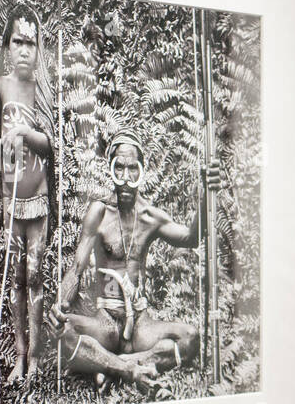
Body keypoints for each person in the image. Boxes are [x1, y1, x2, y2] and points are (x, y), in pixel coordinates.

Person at [48, 130, 201, 390]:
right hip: (106, 322)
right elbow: (76, 269)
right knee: (61, 332)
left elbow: (190, 238)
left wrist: (204, 195)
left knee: (191, 337)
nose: (126, 178)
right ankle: (131, 369)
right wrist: (59, 306)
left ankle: (115, 365)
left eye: (133, 169)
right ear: (110, 170)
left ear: (142, 171)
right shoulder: (99, 212)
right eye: (119, 168)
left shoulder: (150, 217)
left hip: (140, 323)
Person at [0, 2, 57, 385]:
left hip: (39, 201)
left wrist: (28, 135)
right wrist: (1, 145)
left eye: (31, 42)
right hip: (12, 199)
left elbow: (52, 146)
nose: (25, 49)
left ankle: (36, 357)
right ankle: (18, 354)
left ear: (38, 46)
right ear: (8, 46)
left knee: (36, 275)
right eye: (18, 41)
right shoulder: (1, 87)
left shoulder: (42, 90)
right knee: (15, 278)